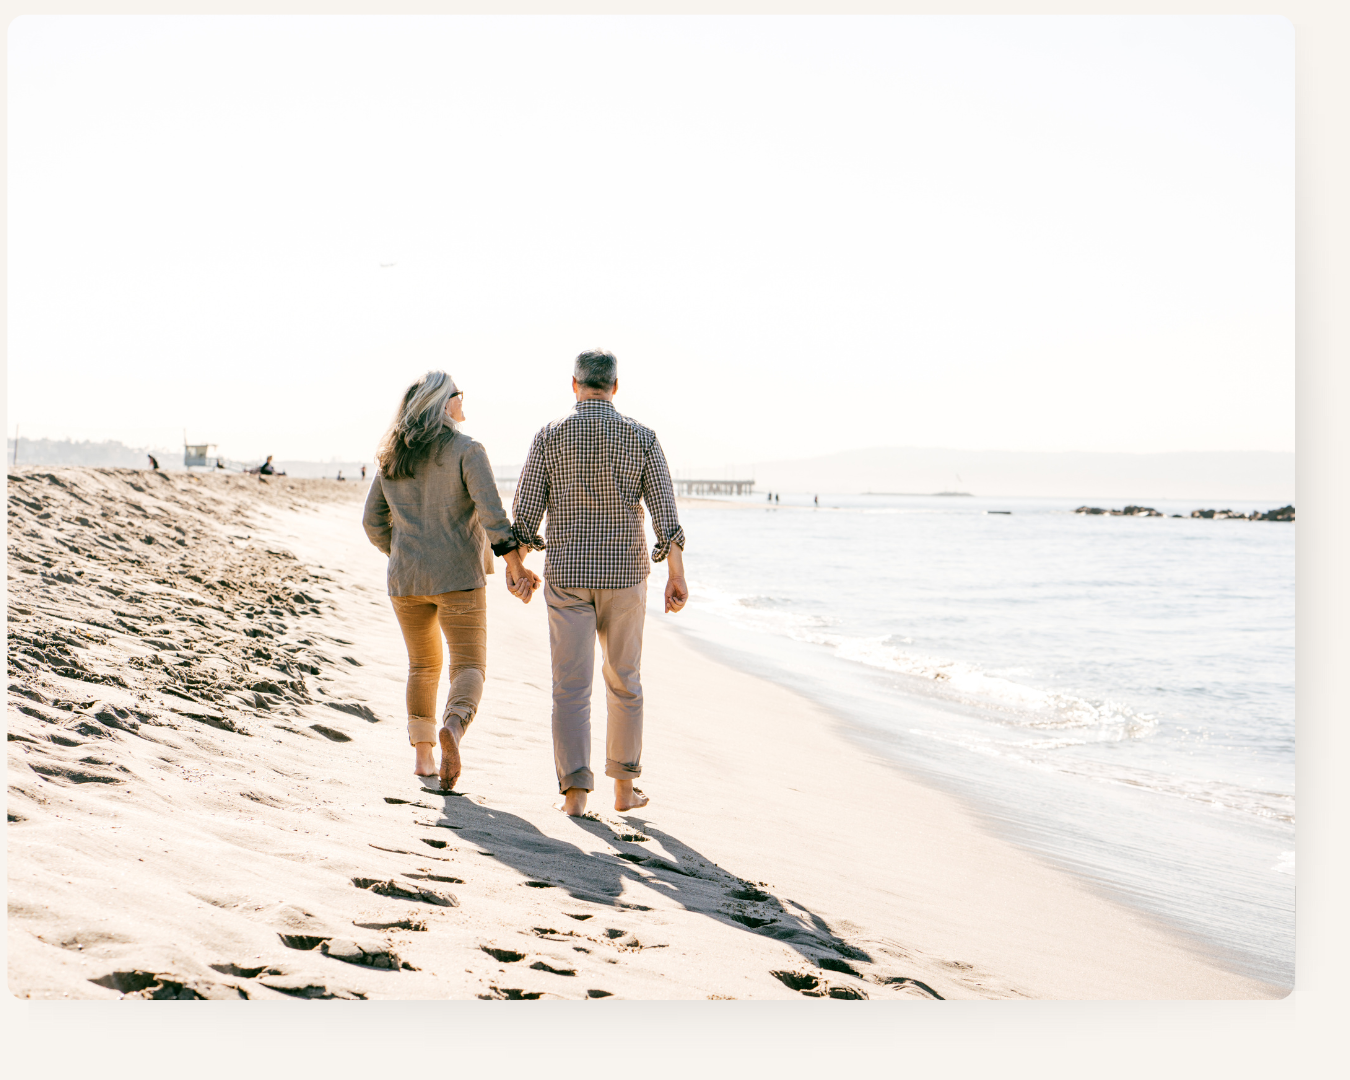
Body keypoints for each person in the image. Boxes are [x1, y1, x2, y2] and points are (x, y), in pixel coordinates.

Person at [511, 350, 687, 817]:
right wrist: (676, 574)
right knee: (624, 680)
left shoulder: (550, 435)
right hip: (626, 577)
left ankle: (574, 796)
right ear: (614, 386)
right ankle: (625, 790)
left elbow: (525, 514)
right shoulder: (643, 437)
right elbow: (665, 513)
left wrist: (516, 565)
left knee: (570, 686)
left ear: (574, 385)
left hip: (568, 575)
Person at [363, 371, 539, 789]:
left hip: (406, 580)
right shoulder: (467, 449)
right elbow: (494, 518)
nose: (464, 401)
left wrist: (403, 552)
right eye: (459, 395)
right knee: (469, 665)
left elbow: (372, 522)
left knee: (422, 665)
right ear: (445, 404)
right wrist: (515, 566)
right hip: (458, 577)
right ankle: (453, 728)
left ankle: (424, 758)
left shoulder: (392, 455)